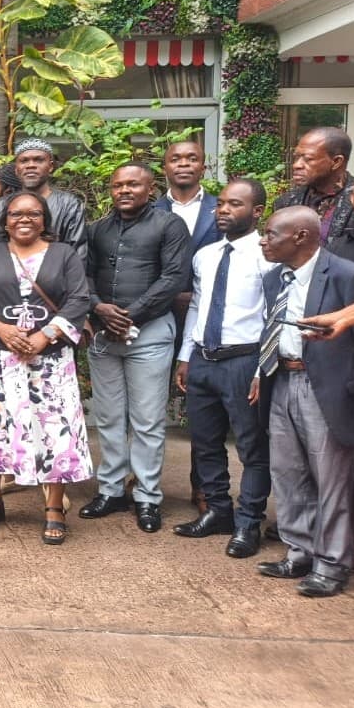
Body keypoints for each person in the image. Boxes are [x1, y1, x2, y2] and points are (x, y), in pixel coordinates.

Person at [0, 191, 93, 544]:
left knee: (54, 428)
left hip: (49, 361)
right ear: (4, 221)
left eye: (33, 213)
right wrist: (2, 330)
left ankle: (53, 505)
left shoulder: (64, 255)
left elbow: (79, 298)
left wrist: (45, 336)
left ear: (44, 219)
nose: (24, 219)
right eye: (16, 214)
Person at [79, 162, 190, 533]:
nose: (124, 191)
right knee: (109, 418)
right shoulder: (97, 229)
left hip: (150, 333)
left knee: (147, 421)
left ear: (150, 187)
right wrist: (97, 307)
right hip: (104, 336)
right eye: (117, 185)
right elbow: (85, 274)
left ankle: (147, 496)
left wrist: (129, 314)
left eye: (133, 185)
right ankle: (111, 490)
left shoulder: (169, 224)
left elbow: (174, 277)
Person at [253, 206, 354, 597]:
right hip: (281, 378)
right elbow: (272, 326)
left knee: (331, 479)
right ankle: (300, 550)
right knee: (288, 472)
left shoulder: (346, 274)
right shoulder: (272, 278)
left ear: (300, 237)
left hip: (327, 387)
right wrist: (259, 372)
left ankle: (332, 564)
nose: (263, 241)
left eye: (271, 234)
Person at [172, 180, 271, 558]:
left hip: (244, 361)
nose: (224, 210)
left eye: (235, 204)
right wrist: (186, 357)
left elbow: (273, 316)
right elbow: (197, 306)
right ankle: (218, 511)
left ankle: (248, 523)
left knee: (251, 447)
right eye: (222, 204)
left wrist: (262, 370)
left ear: (257, 211)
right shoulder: (207, 255)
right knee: (205, 442)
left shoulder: (268, 256)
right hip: (203, 359)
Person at [154, 139, 220, 512]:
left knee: (203, 407)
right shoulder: (150, 209)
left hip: (207, 321)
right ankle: (145, 478)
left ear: (203, 167)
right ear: (165, 167)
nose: (183, 164)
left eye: (192, 158)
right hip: (159, 316)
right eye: (175, 158)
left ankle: (204, 486)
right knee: (149, 404)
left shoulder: (221, 209)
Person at [273, 127, 354, 262]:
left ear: (336, 162)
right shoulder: (286, 202)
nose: (296, 165)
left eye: (308, 159)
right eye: (297, 157)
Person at [12, 138, 87, 258]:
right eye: (24, 161)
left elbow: (77, 253)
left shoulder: (69, 204)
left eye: (38, 160)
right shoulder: (2, 206)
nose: (31, 165)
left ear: (51, 166)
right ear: (16, 169)